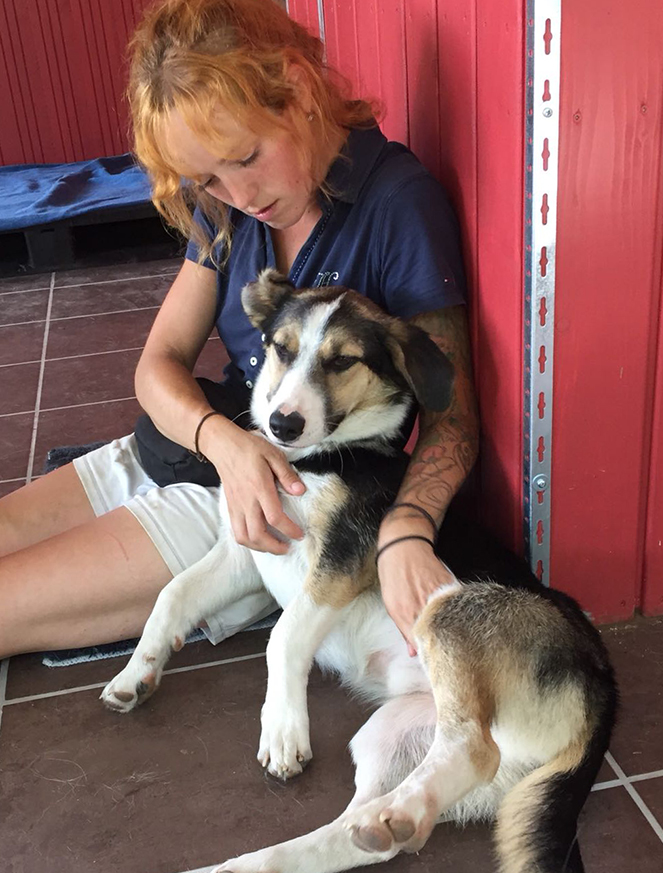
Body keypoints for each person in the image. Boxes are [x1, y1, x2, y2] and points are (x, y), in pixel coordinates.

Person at [0, 0, 478, 660]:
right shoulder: (226, 207)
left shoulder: (398, 205)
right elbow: (158, 363)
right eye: (208, 179)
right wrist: (221, 442)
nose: (240, 195)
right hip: (204, 440)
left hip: (279, 505)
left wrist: (406, 529)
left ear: (297, 88)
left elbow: (454, 420)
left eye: (246, 157)